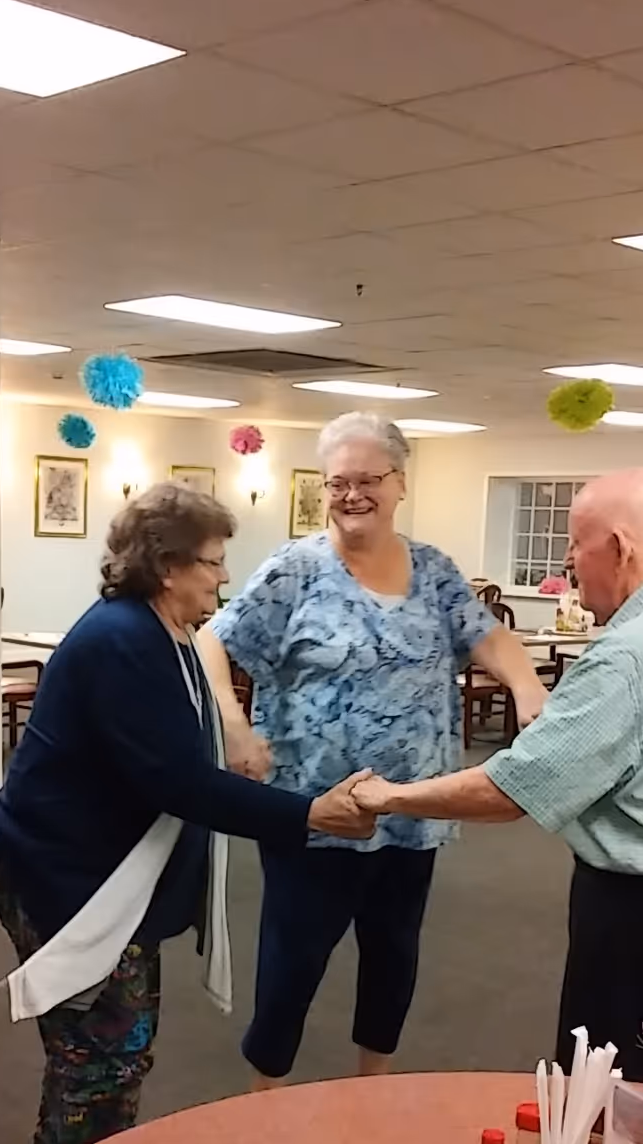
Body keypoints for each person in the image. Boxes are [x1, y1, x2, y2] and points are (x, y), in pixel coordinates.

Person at [0, 482, 373, 1144]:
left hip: (108, 880)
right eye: (214, 560)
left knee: (119, 1050)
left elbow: (177, 754)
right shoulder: (122, 642)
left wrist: (234, 741)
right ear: (167, 565)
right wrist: (308, 812)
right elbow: (178, 782)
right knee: (96, 1060)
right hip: (69, 879)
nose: (224, 575)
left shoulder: (160, 633)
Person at [353, 467, 643, 1079]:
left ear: (620, 547)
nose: (570, 561)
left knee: (621, 1103)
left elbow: (510, 789)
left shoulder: (630, 655)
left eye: (576, 544)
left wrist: (387, 796)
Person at [197, 413, 547, 1088]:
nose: (352, 494)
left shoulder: (435, 571)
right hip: (314, 813)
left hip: (412, 809)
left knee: (393, 956)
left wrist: (526, 682)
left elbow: (488, 636)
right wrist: (235, 725)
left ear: (399, 483)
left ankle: (372, 1090)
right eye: (337, 482)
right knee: (292, 963)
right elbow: (215, 638)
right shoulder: (295, 570)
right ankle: (262, 1097)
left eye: (368, 480)